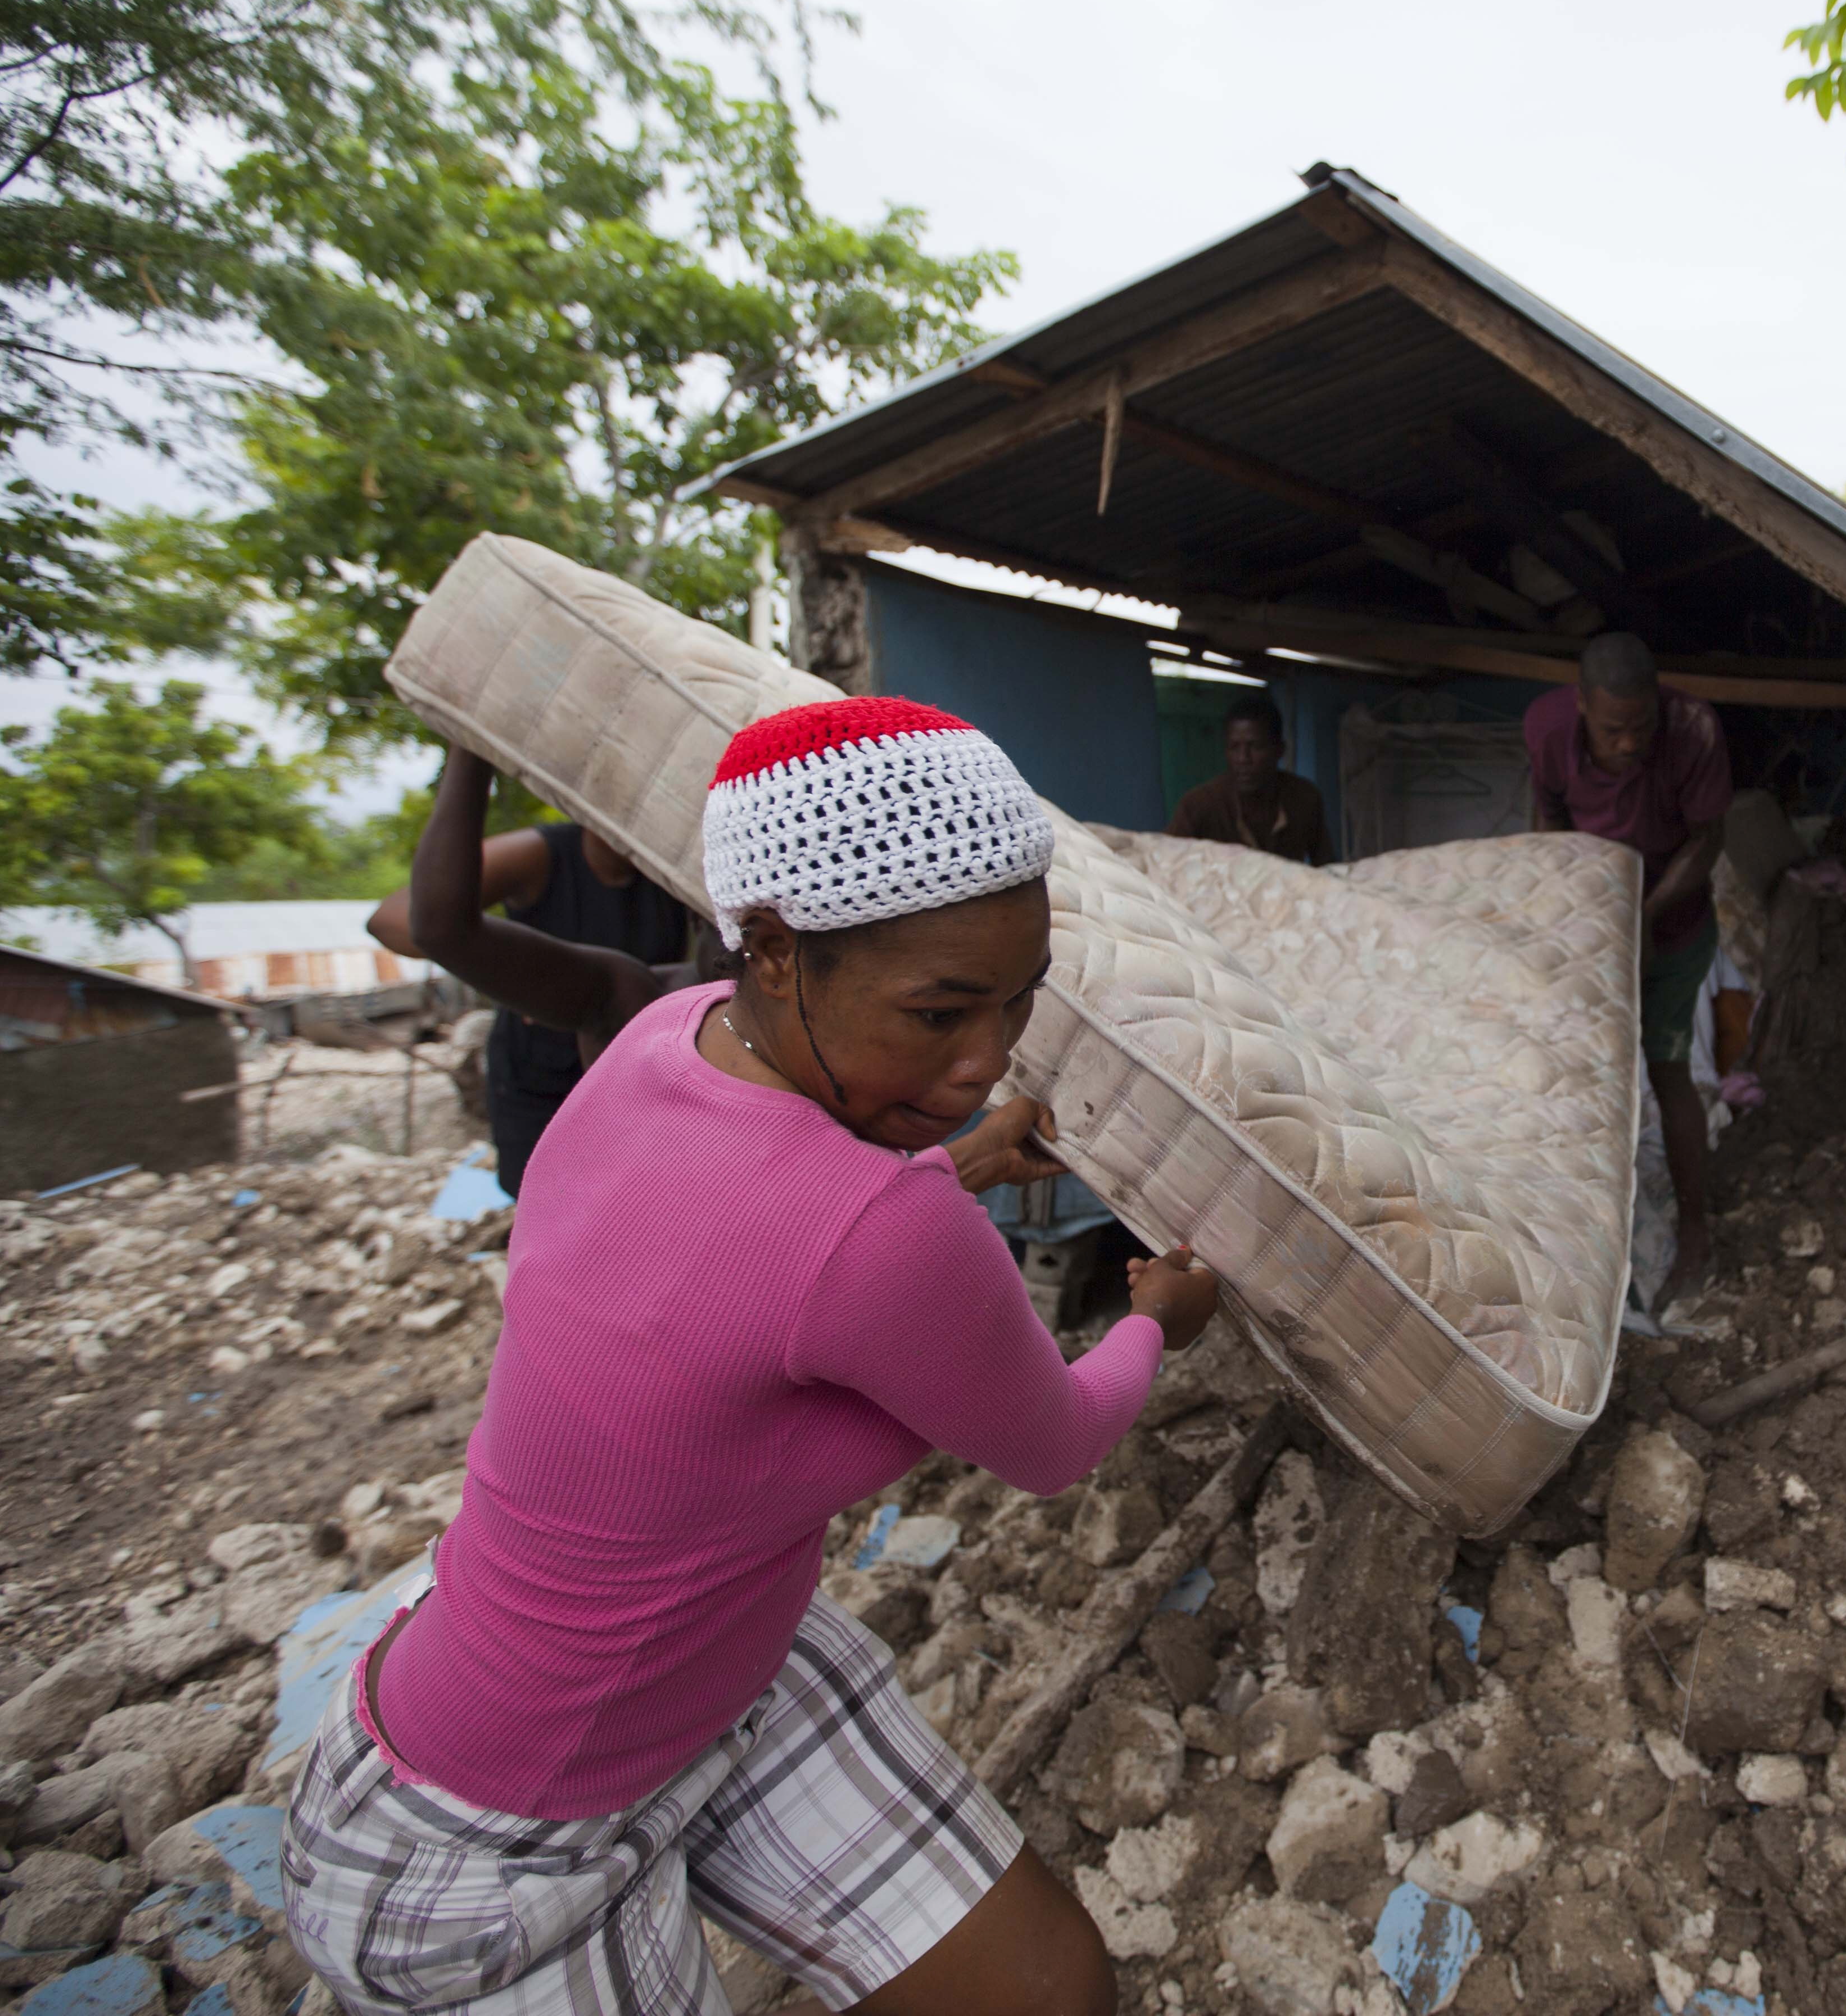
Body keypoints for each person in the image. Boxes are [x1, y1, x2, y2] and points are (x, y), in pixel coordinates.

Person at [284, 698, 1217, 2016]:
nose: (985, 1059)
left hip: (698, 1669)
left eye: (1018, 1000)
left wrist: (955, 1157)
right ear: (776, 950)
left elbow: (756, 1257)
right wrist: (1154, 1321)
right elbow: (1056, 1437)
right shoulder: (885, 1231)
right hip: (484, 1849)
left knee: (1044, 1987)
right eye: (940, 1010)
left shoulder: (657, 1042)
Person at [366, 764, 696, 1194]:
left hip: (629, 1081)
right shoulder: (538, 856)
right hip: (540, 1076)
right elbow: (400, 923)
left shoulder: (674, 875)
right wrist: (526, 971)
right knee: (544, 1206)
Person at [1523, 632, 1730, 1304]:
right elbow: (1549, 814)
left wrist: (1643, 912)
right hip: (1592, 930)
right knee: (1584, 1079)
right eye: (1614, 730)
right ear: (1582, 706)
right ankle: (1581, 1235)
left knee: (1668, 1069)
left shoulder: (1694, 730)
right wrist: (1575, 900)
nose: (1629, 743)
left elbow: (1709, 841)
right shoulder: (1547, 730)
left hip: (1671, 929)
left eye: (1641, 728)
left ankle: (1696, 1229)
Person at [1167, 691, 1334, 864]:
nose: (1243, 759)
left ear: (1280, 750)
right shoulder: (1198, 805)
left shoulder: (1304, 798)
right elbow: (1165, 867)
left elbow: (1326, 867)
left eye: (1255, 747)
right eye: (1234, 747)